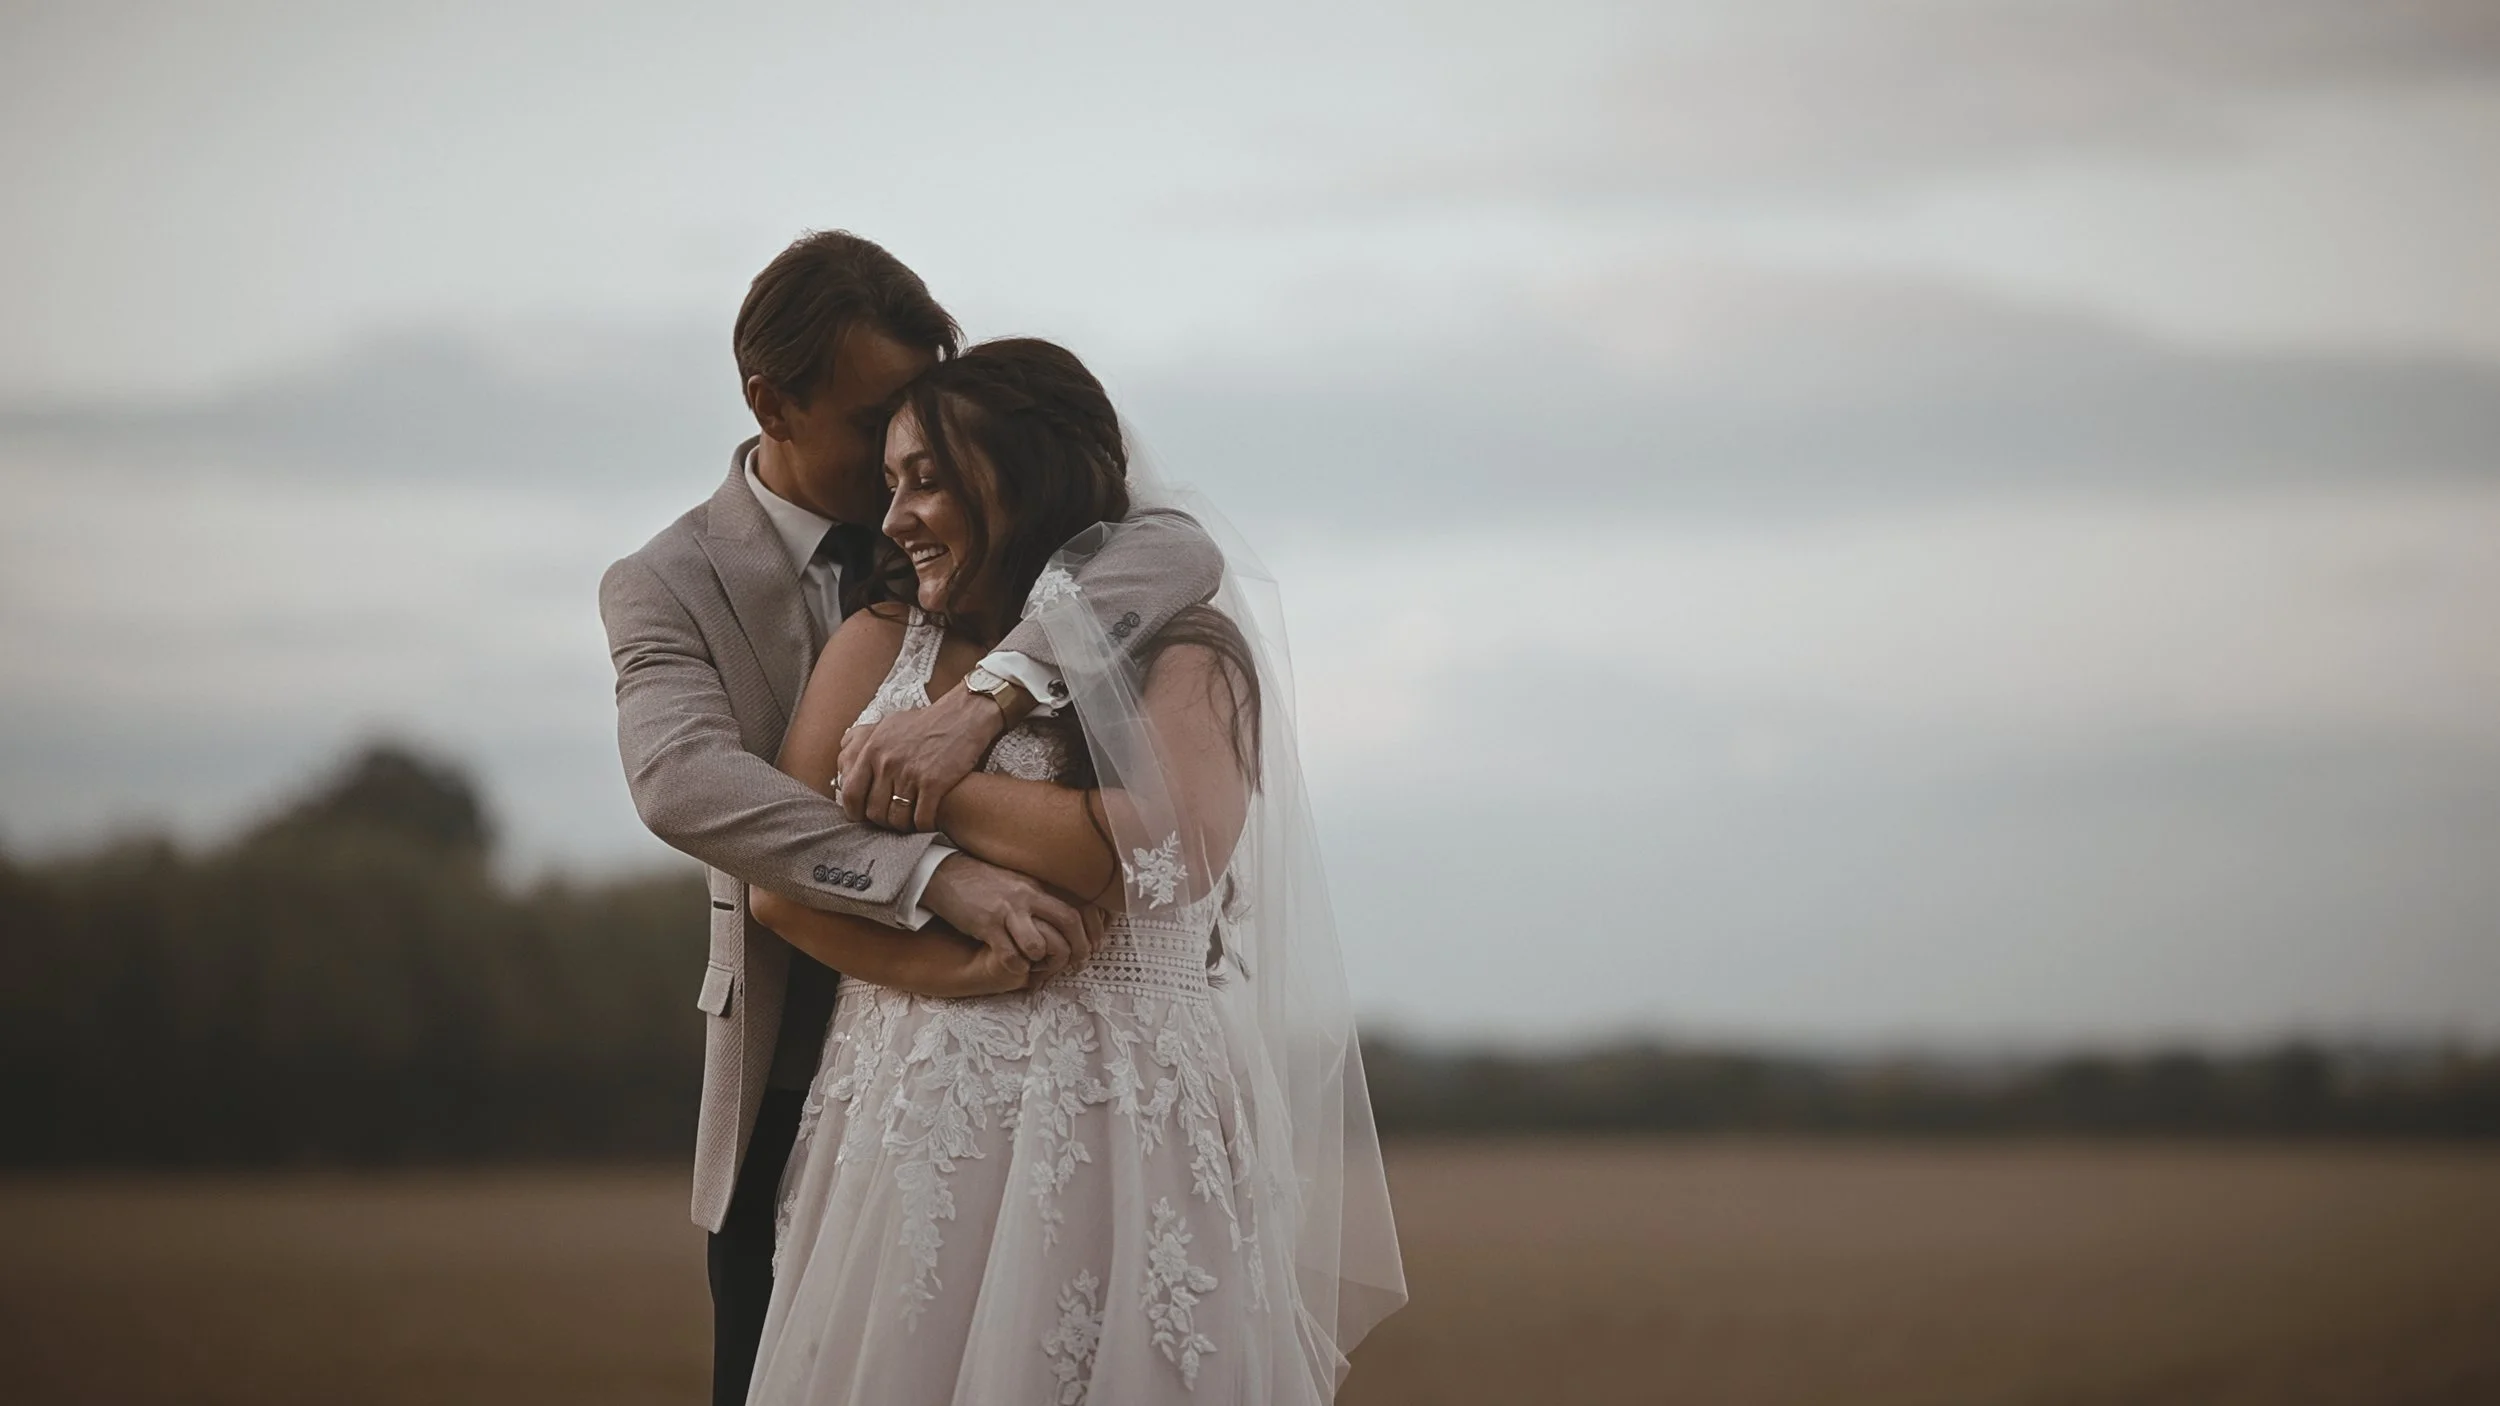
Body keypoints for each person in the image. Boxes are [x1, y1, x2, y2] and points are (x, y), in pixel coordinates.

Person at [598, 231, 1226, 1406]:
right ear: (768, 401)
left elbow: (1179, 547)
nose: (906, 477)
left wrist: (987, 700)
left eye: (931, 441)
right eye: (879, 424)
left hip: (1073, 1080)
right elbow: (683, 781)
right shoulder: (667, 580)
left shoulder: (1094, 562)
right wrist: (929, 874)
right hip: (814, 1077)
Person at [741, 338, 1404, 1404]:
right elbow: (780, 885)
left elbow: (1168, 846)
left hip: (1118, 1126)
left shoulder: (1186, 648)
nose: (897, 515)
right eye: (891, 481)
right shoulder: (878, 643)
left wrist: (927, 777)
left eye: (929, 479)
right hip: (906, 1119)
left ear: (1025, 472)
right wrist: (953, 968)